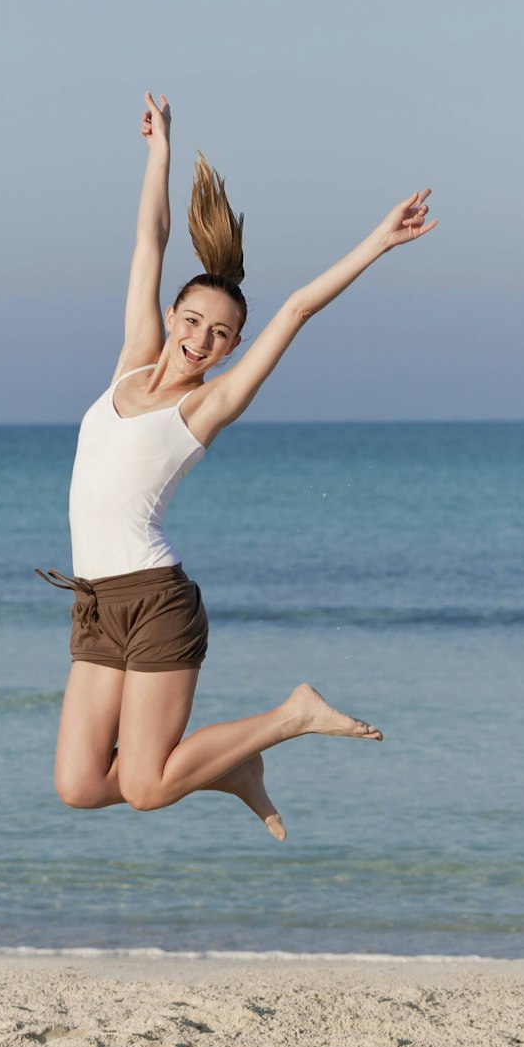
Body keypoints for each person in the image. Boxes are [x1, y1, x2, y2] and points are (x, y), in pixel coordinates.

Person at [36, 92, 437, 839]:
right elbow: (148, 243)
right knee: (79, 784)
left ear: (229, 349)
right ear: (173, 316)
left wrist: (377, 242)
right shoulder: (128, 363)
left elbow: (293, 310)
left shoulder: (205, 408)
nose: (201, 339)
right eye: (192, 321)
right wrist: (159, 153)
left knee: (149, 787)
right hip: (95, 602)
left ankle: (291, 714)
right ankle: (230, 767)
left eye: (221, 335)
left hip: (157, 605)